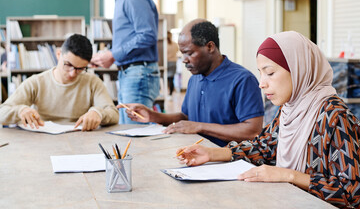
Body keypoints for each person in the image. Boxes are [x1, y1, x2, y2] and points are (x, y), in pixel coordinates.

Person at [176, 31, 360, 208]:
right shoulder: (289, 109)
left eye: (270, 73)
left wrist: (288, 176)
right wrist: (212, 154)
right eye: (261, 73)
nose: (261, 83)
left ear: (298, 69)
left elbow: (351, 191)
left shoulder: (336, 117)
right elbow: (266, 147)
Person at [119, 19, 264, 147]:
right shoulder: (196, 77)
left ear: (210, 47)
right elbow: (186, 118)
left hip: (229, 161)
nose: (184, 59)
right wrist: (152, 116)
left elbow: (252, 131)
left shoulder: (242, 80)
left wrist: (200, 127)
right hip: (195, 155)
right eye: (183, 53)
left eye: (189, 53)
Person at [0, 34, 119, 131]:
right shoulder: (36, 82)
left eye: (80, 69)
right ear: (58, 54)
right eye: (68, 65)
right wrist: (20, 110)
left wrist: (98, 113)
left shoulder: (92, 82)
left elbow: (114, 114)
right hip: (42, 139)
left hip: (79, 139)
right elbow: (2, 113)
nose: (73, 73)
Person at [92, 0, 160, 124]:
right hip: (131, 73)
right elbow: (129, 37)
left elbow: (147, 35)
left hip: (138, 73)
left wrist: (114, 55)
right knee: (128, 130)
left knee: (134, 133)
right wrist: (109, 55)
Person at [167, 30, 178, 98]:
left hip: (167, 62)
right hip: (173, 62)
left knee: (166, 79)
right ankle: (170, 94)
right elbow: (177, 50)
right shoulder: (174, 44)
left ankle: (167, 93)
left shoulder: (165, 44)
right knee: (171, 79)